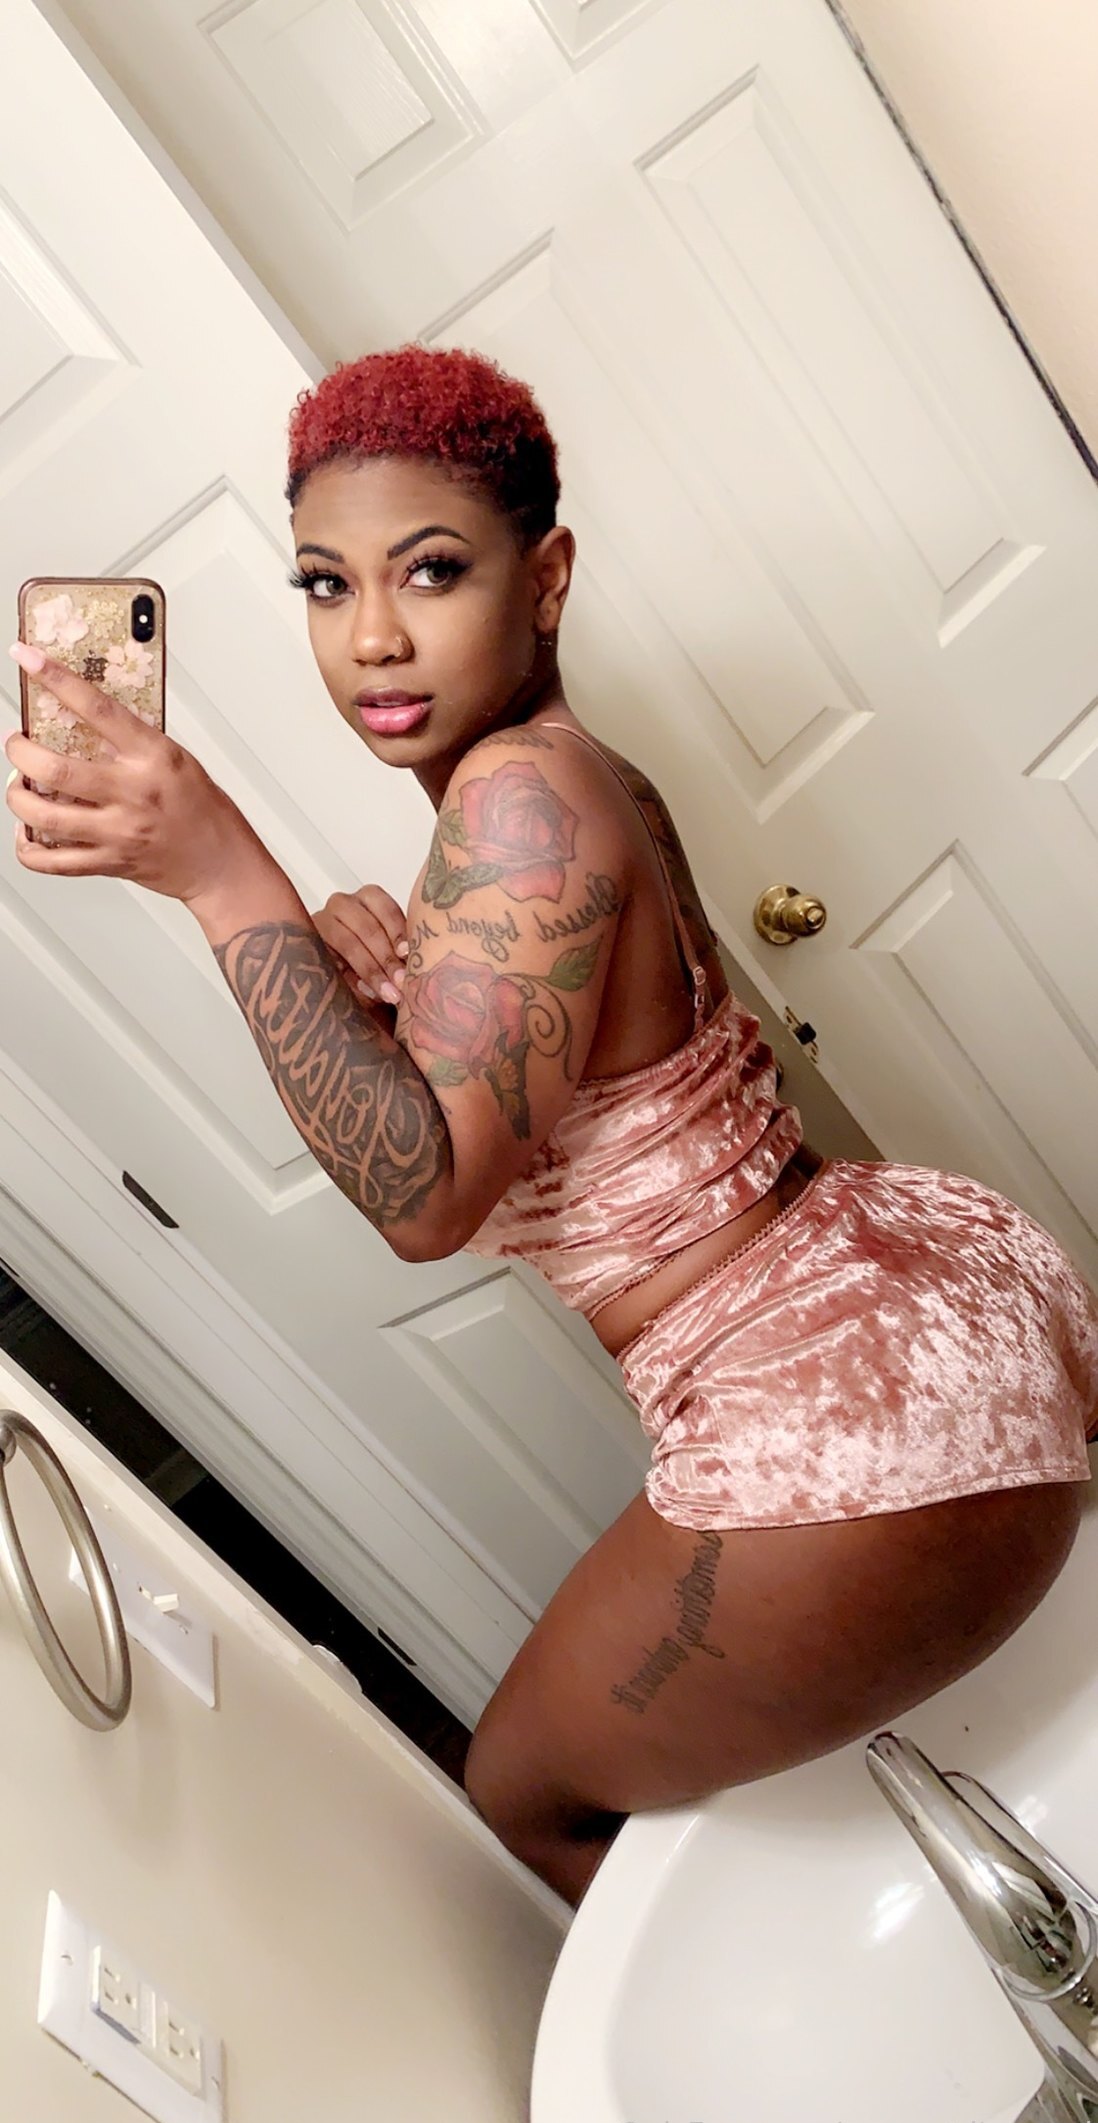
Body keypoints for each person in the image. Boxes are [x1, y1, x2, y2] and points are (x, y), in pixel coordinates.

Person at [7, 345, 1098, 1909]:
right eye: (325, 584)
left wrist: (221, 874)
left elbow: (427, 1198)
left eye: (430, 570)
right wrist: (362, 984)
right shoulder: (569, 779)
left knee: (526, 1802)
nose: (371, 637)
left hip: (838, 1418)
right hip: (937, 1296)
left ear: (547, 578)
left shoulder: (514, 799)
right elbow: (545, 1092)